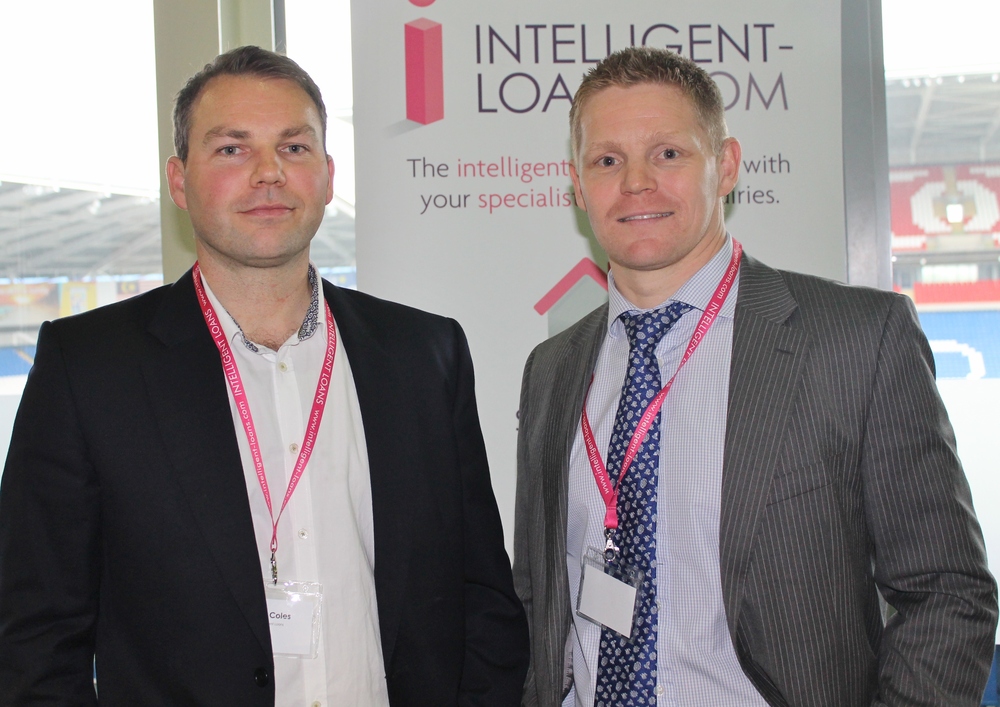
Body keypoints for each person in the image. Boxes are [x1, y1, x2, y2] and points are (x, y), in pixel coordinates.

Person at [0, 45, 528, 706]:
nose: (269, 173)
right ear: (178, 181)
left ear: (328, 176)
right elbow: (37, 636)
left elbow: (482, 595)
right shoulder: (89, 368)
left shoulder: (424, 353)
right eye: (232, 149)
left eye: (294, 147)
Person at [513, 46, 997, 707]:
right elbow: (538, 598)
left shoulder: (856, 339)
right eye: (607, 161)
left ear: (726, 165)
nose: (635, 182)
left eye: (668, 153)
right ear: (577, 184)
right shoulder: (551, 369)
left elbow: (946, 591)